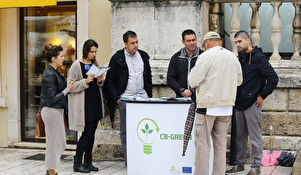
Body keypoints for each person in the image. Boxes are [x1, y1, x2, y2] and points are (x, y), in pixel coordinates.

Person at [188, 31, 242, 175]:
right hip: (226, 107)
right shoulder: (232, 56)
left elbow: (193, 81)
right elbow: (239, 81)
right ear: (220, 42)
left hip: (208, 107)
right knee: (220, 146)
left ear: (207, 43)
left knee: (202, 146)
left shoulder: (205, 56)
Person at [226, 30, 278, 175]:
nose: (237, 44)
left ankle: (256, 167)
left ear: (247, 40)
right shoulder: (240, 57)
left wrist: (262, 96)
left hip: (253, 103)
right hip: (239, 102)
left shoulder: (259, 57)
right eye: (235, 42)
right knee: (239, 136)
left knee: (255, 136)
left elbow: (273, 78)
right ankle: (239, 164)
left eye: (240, 41)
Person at [104, 31, 152, 165]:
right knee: (126, 131)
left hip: (143, 98)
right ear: (125, 44)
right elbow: (109, 81)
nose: (136, 45)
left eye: (137, 42)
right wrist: (118, 99)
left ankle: (144, 157)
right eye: (132, 43)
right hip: (126, 100)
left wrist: (149, 95)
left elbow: (148, 77)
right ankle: (129, 159)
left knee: (145, 129)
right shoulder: (117, 58)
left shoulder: (143, 55)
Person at [68, 39, 105, 173]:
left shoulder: (95, 63)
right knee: (86, 134)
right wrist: (85, 81)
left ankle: (88, 162)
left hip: (95, 103)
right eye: (91, 51)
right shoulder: (76, 65)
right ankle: (77, 163)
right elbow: (70, 87)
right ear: (86, 50)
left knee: (92, 133)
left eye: (95, 52)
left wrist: (100, 80)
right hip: (84, 106)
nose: (94, 54)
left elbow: (99, 85)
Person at [40, 45, 75, 175]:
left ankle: (50, 171)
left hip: (56, 111)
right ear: (54, 58)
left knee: (60, 143)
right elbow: (52, 97)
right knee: (53, 145)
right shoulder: (49, 74)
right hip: (51, 111)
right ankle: (51, 172)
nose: (63, 58)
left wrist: (69, 88)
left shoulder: (55, 72)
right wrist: (67, 90)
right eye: (61, 56)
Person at [167, 29, 203, 100]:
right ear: (183, 42)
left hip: (200, 98)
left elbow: (207, 78)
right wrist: (181, 90)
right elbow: (170, 78)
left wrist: (192, 91)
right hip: (181, 98)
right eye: (189, 41)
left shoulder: (203, 56)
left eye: (193, 40)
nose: (192, 43)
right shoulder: (176, 57)